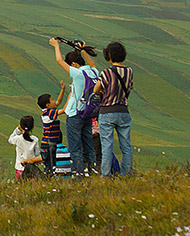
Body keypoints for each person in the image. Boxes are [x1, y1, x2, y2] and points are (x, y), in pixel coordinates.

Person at [49, 37, 99, 176]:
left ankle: (78, 172)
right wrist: (83, 51)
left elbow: (59, 61)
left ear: (74, 64)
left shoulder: (78, 74)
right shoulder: (94, 72)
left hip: (75, 114)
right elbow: (93, 63)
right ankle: (92, 168)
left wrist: (56, 46)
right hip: (88, 113)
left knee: (75, 146)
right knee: (88, 143)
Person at [93, 41, 134, 177]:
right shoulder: (129, 72)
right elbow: (128, 88)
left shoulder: (106, 72)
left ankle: (105, 175)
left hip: (107, 111)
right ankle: (126, 174)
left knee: (107, 146)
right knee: (126, 146)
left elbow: (96, 89)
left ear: (109, 56)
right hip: (123, 111)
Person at [37, 82, 65, 175]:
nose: (55, 101)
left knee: (51, 164)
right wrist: (71, 98)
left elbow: (58, 102)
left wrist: (63, 90)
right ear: (48, 105)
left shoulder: (48, 111)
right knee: (51, 165)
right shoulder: (49, 113)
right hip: (49, 144)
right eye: (52, 100)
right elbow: (63, 110)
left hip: (49, 143)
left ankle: (50, 178)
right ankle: (49, 178)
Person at [9, 115, 43, 181]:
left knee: (21, 186)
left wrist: (17, 130)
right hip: (32, 168)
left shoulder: (18, 139)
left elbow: (10, 140)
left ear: (21, 126)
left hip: (20, 167)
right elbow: (37, 154)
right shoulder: (35, 139)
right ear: (32, 127)